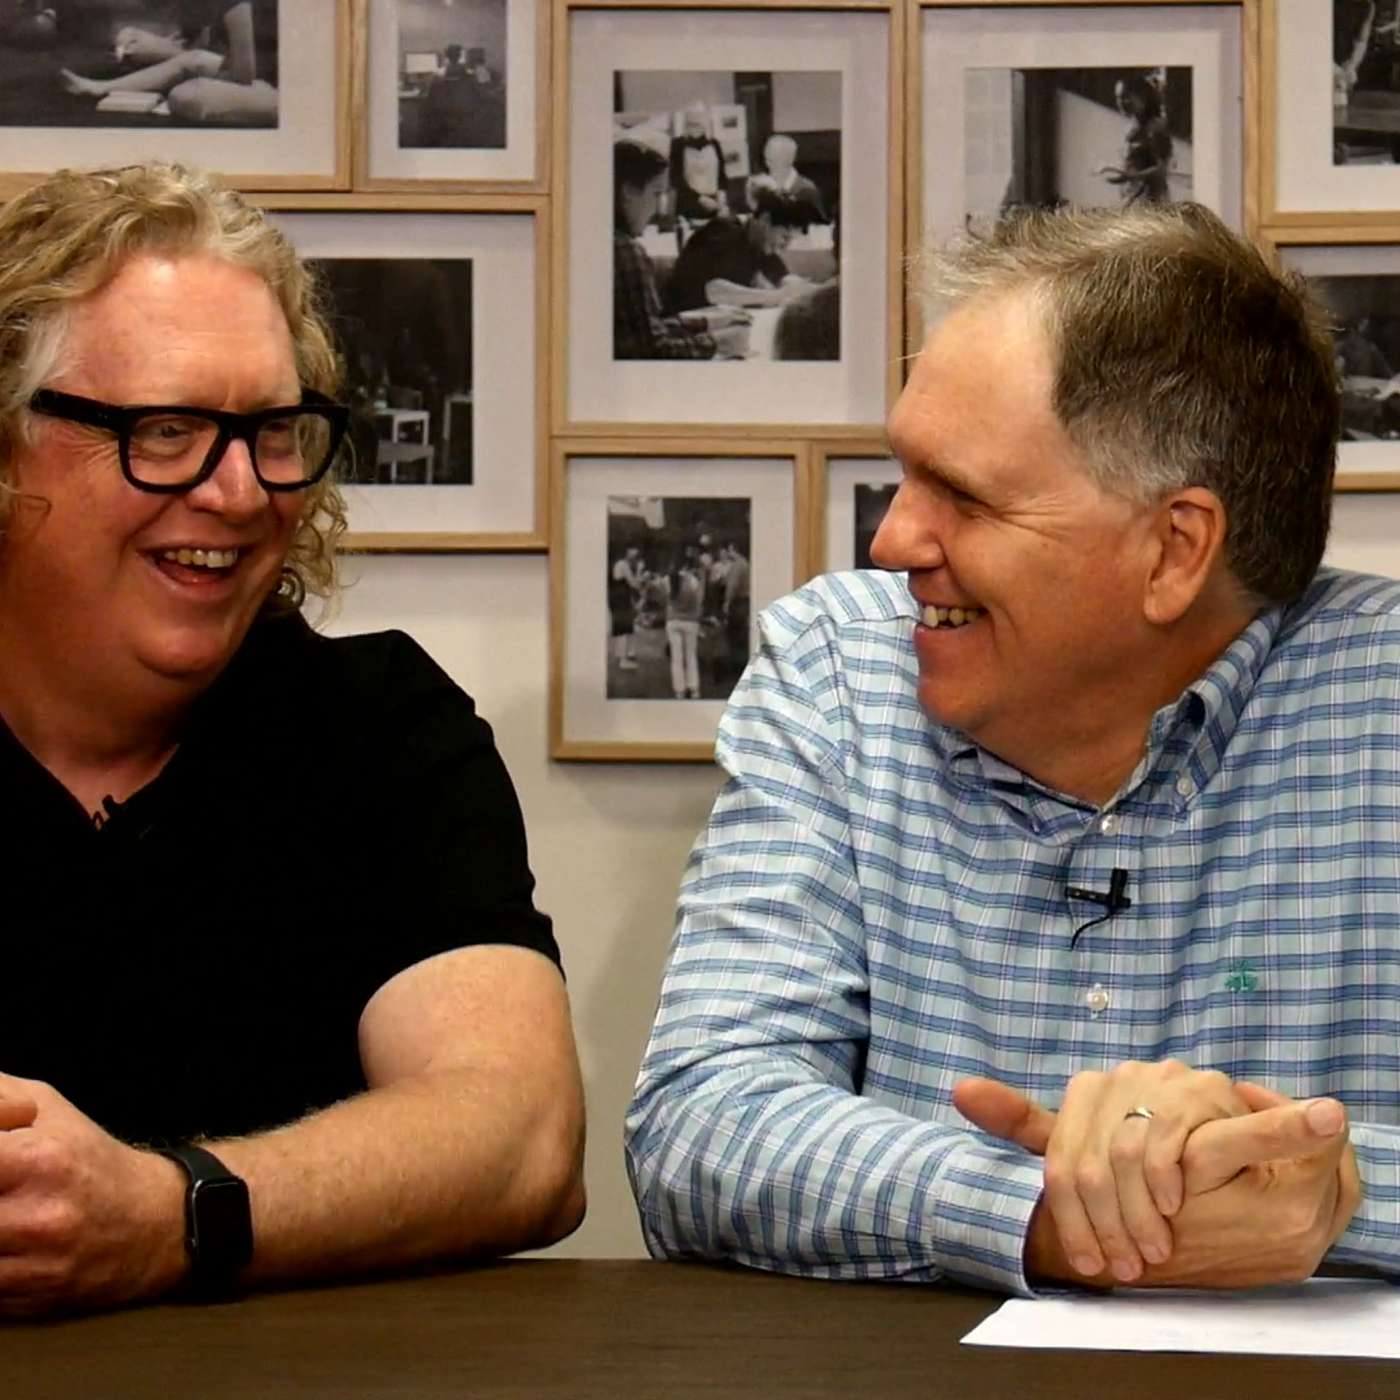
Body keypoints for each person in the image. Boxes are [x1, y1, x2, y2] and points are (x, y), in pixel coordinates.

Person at [626, 200, 1400, 1297]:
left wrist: (1324, 1184)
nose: (892, 540)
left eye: (963, 496)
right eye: (905, 476)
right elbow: (698, 1122)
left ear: (1174, 550)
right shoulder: (839, 671)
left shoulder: (1379, 704)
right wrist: (1051, 1212)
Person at [0, 161, 585, 1316]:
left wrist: (169, 1214)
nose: (238, 491)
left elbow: (521, 1138)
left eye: (273, 430)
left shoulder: (378, 729)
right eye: (165, 430)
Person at [613, 137, 749, 361]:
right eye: (655, 194)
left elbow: (642, 329)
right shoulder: (625, 251)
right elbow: (653, 350)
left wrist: (707, 322)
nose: (658, 209)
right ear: (628, 191)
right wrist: (718, 343)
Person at [60, 1, 277, 127]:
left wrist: (195, 72)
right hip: (240, 71)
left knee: (185, 89)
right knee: (186, 57)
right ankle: (103, 86)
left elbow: (244, 74)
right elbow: (200, 46)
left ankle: (100, 87)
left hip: (268, 88)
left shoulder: (236, 5)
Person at [665, 189, 820, 315]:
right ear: (765, 220)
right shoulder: (724, 232)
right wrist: (777, 295)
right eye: (785, 237)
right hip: (679, 322)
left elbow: (785, 278)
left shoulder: (760, 244)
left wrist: (810, 291)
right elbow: (714, 290)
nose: (785, 247)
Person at [1095, 74, 1173, 206]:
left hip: (1152, 202)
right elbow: (1134, 167)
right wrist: (1118, 175)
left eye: (1126, 97)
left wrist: (1131, 176)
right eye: (1118, 98)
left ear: (1143, 97)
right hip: (1132, 198)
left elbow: (1162, 170)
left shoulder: (1155, 127)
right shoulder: (1131, 127)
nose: (1121, 102)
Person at [668, 103, 728, 223]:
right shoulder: (678, 145)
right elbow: (676, 179)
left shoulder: (715, 144)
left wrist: (722, 199)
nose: (693, 128)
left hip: (713, 204)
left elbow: (722, 176)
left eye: (697, 124)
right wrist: (699, 198)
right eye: (689, 124)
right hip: (688, 205)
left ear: (705, 124)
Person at [745, 134, 826, 222]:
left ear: (790, 159)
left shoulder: (807, 189)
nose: (768, 162)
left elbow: (817, 225)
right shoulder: (761, 186)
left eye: (775, 156)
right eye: (767, 156)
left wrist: (775, 192)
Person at [663, 547, 704, 701]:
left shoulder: (667, 580)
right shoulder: (693, 581)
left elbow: (664, 599)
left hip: (673, 620)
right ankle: (694, 689)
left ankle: (679, 690)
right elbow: (698, 602)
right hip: (690, 621)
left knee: (676, 657)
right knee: (691, 656)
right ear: (687, 565)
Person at [610, 545, 647, 672]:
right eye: (633, 552)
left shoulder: (621, 564)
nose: (635, 556)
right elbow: (634, 583)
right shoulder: (623, 564)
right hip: (620, 598)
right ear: (627, 552)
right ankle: (623, 660)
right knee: (623, 628)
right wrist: (640, 571)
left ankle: (622, 654)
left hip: (618, 597)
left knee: (624, 627)